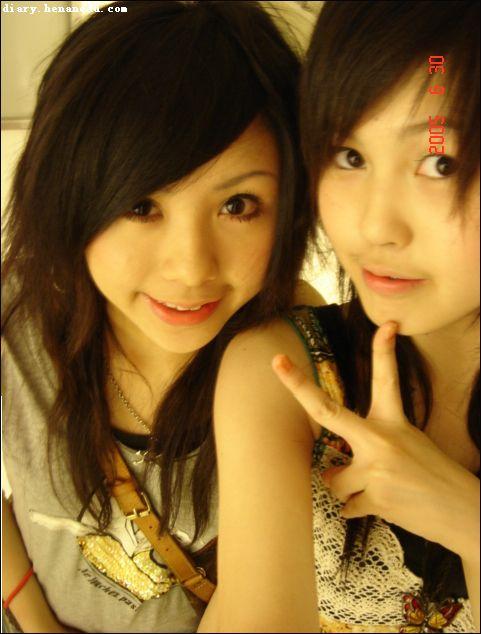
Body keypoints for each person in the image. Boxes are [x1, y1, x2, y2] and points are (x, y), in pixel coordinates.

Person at [1, 1, 323, 632]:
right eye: (141, 206)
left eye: (238, 204)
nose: (190, 268)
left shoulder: (309, 365)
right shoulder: (20, 316)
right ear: (67, 193)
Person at [201, 1, 479, 632]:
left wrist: (467, 521)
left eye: (442, 162)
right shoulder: (283, 375)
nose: (375, 226)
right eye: (349, 156)